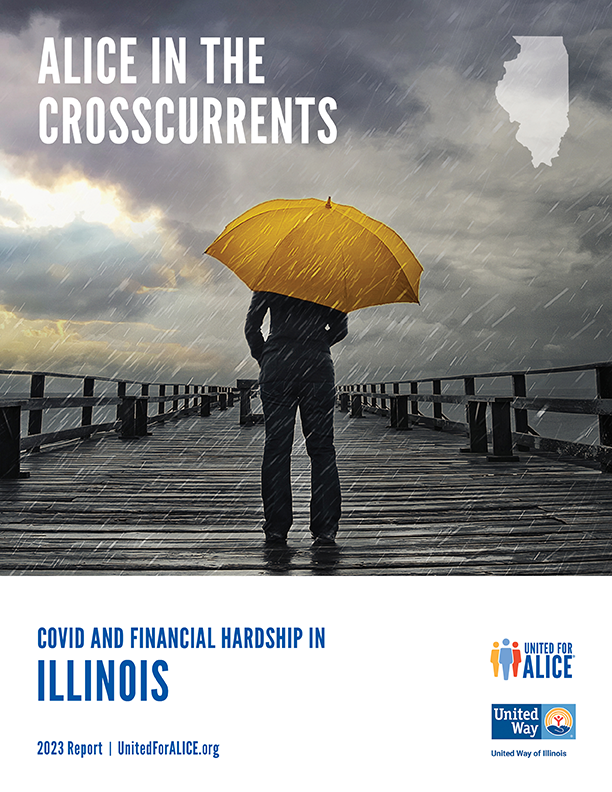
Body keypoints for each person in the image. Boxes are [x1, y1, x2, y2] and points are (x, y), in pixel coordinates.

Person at [244, 290, 348, 545]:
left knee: (277, 448)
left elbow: (251, 328)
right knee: (322, 449)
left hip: (278, 366)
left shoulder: (270, 277)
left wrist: (267, 354)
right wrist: (316, 342)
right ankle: (325, 528)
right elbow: (341, 328)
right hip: (318, 368)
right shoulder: (329, 281)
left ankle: (277, 527)